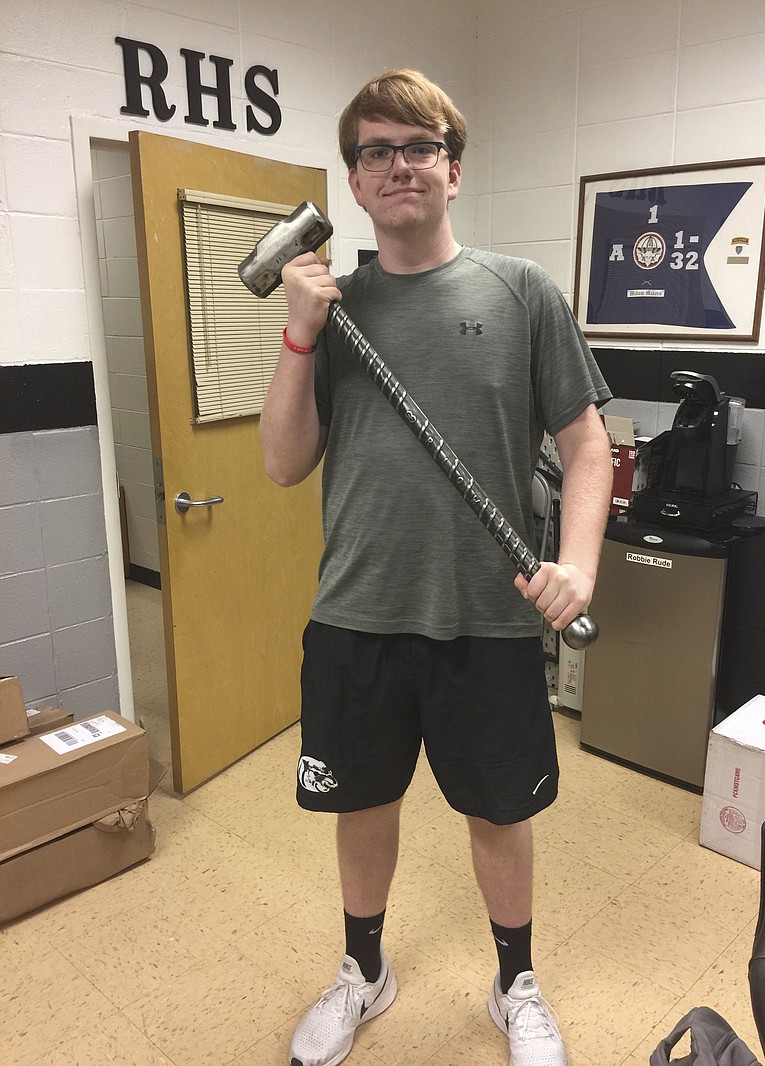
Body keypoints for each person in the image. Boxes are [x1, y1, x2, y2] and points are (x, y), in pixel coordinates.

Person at [260, 69, 612, 1066]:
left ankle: (515, 984)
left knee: (498, 813)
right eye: (375, 150)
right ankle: (362, 970)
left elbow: (587, 447)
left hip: (487, 615)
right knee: (360, 803)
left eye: (418, 147)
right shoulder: (327, 305)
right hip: (356, 610)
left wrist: (577, 567)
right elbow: (284, 464)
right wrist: (296, 334)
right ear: (355, 184)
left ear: (452, 171)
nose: (398, 165)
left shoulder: (519, 292)